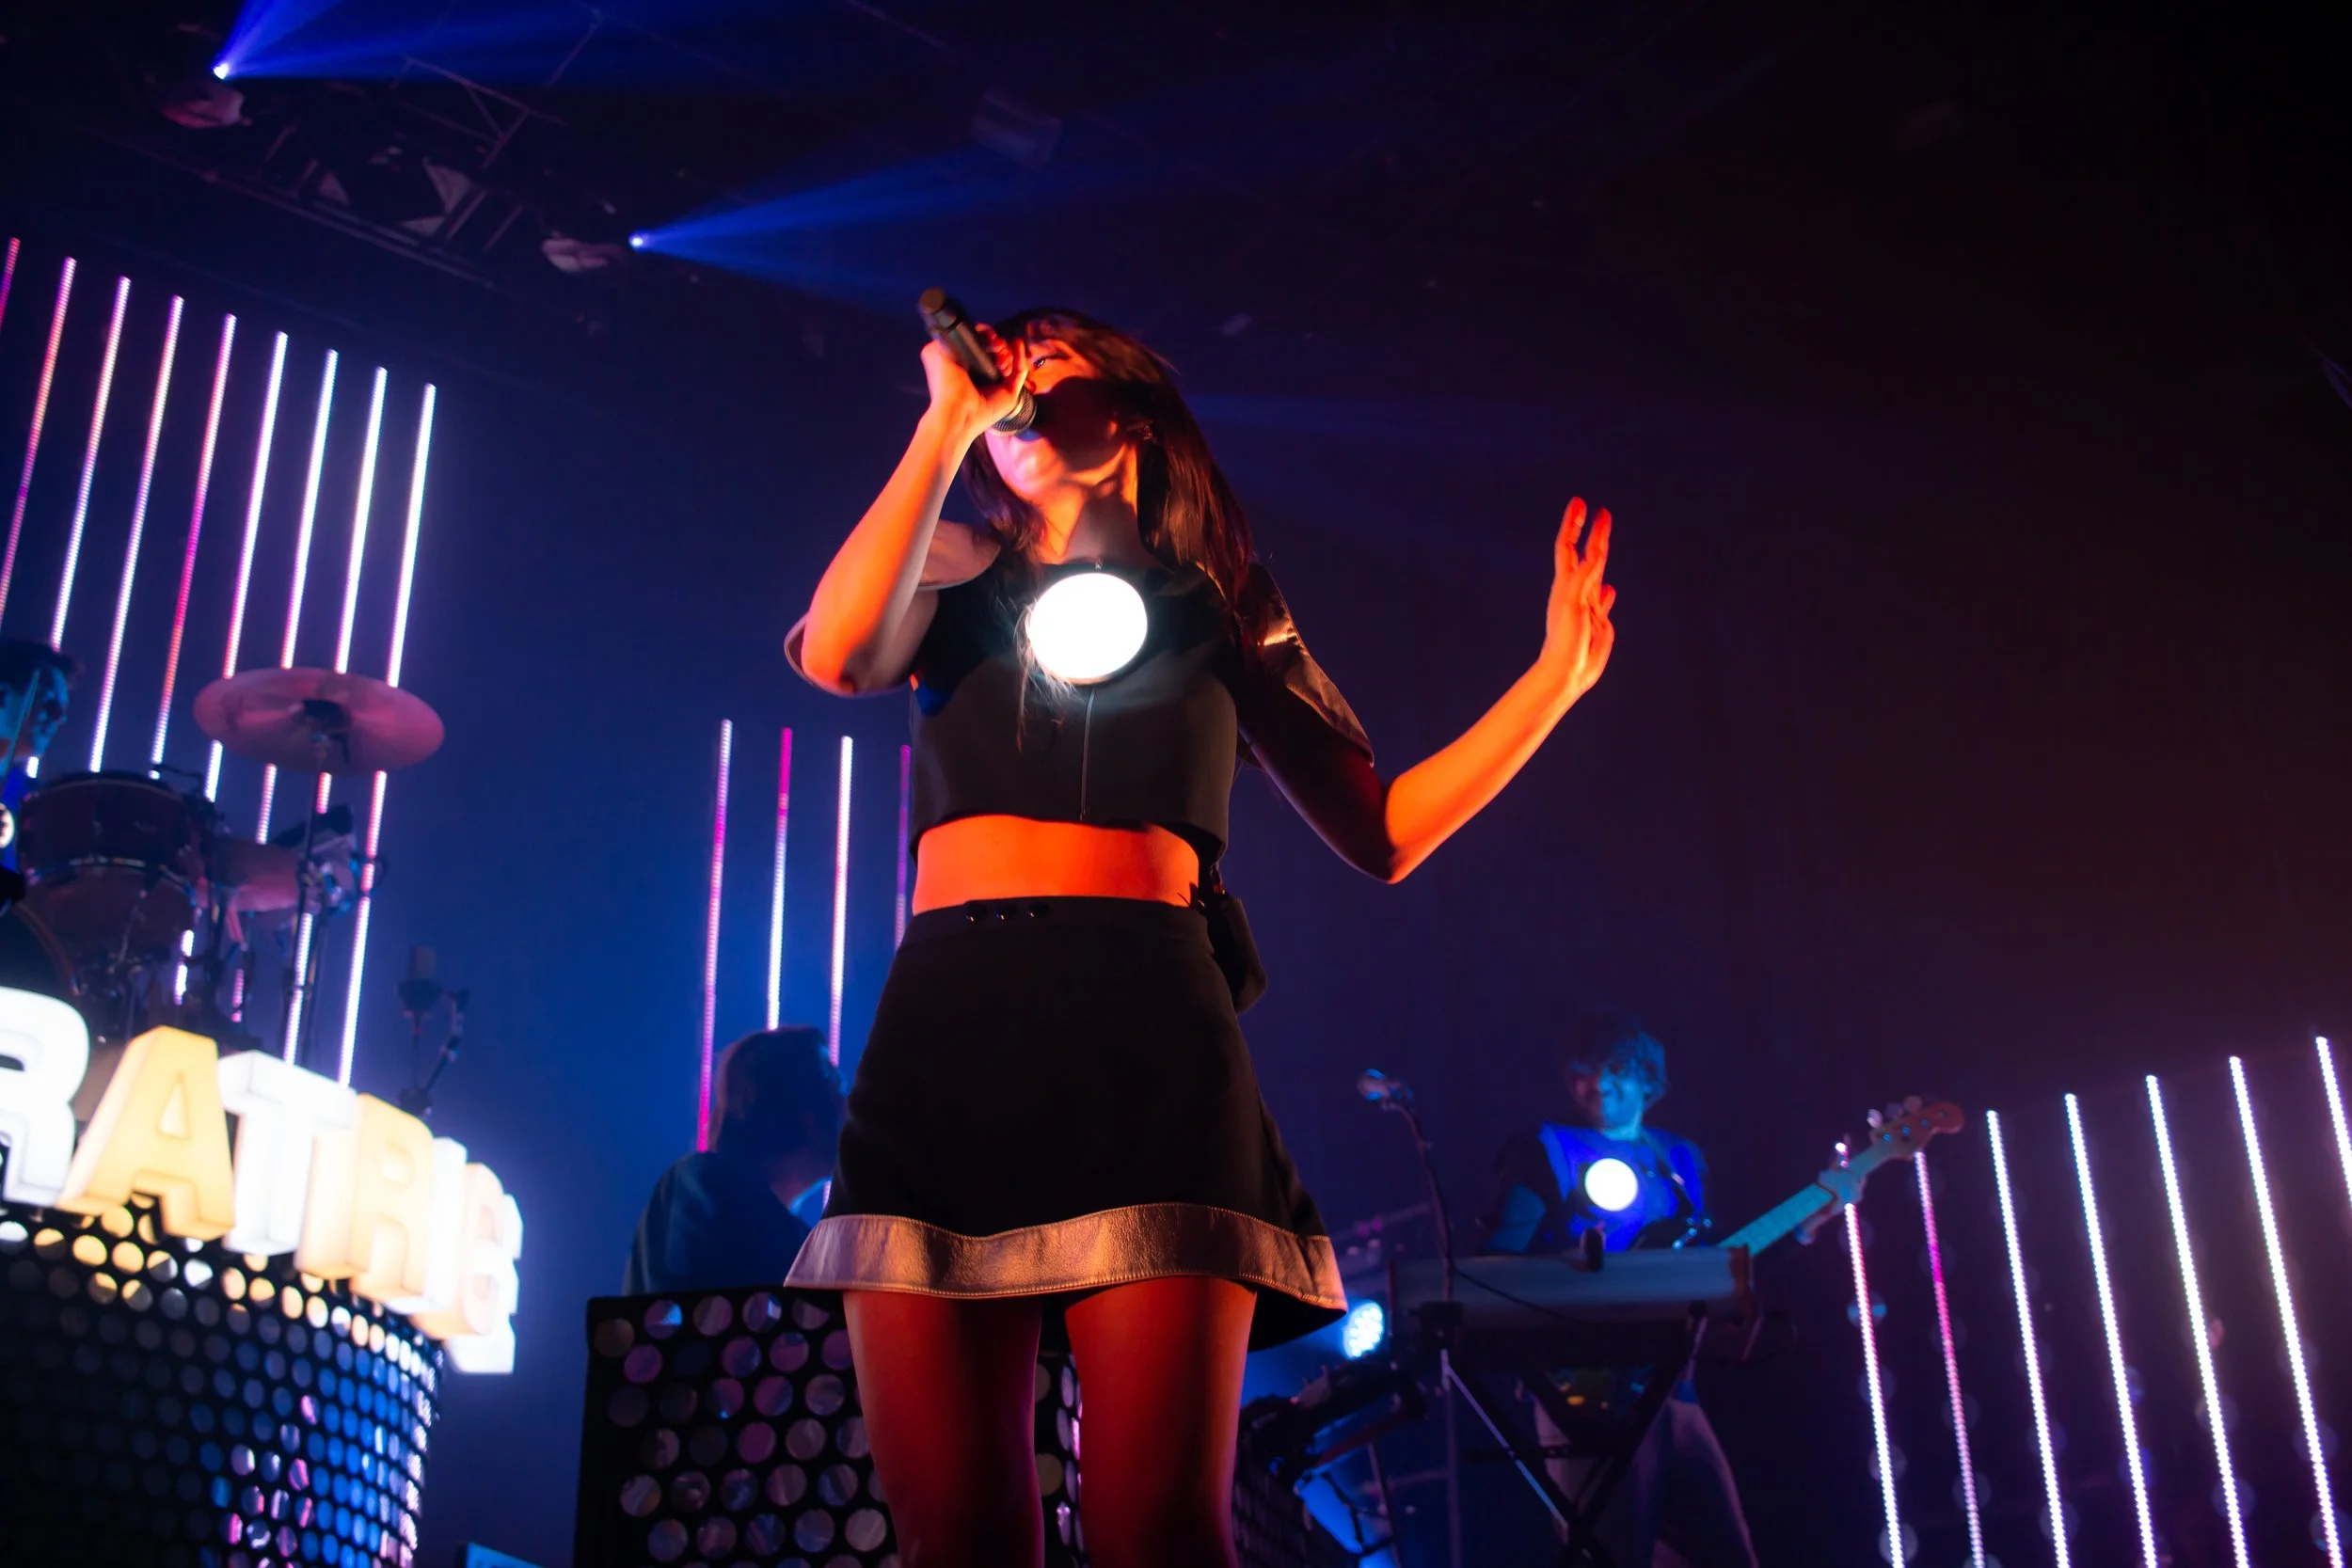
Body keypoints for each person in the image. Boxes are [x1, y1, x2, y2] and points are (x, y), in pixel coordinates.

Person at [782, 304, 1616, 1568]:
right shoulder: (950, 560)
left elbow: (1383, 830)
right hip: (947, 1030)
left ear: (1126, 416)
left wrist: (1551, 678)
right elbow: (840, 653)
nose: (1013, 384)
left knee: (1159, 1531)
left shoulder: (1220, 606)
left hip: (1146, 1030)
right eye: (1000, 367)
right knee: (953, 1530)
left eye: (1042, 368)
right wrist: (947, 417)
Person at [1480, 1008, 1757, 1568]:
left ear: (1649, 1081)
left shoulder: (1681, 1158)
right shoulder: (1546, 1148)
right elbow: (1494, 1270)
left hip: (1675, 1389)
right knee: (1610, 1554)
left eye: (1615, 1070)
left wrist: (1805, 1224)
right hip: (1585, 1390)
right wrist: (1580, 1270)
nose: (1598, 1084)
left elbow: (1711, 1264)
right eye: (1584, 1072)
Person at [624, 1026, 844, 1296]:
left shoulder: (792, 1241)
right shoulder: (701, 1184)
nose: (850, 1107)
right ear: (806, 1111)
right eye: (835, 1085)